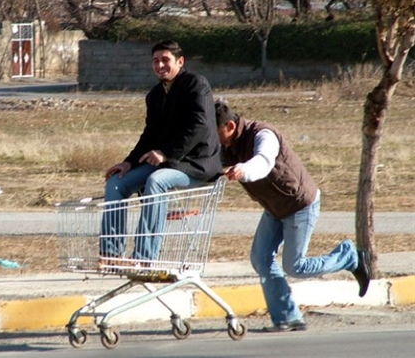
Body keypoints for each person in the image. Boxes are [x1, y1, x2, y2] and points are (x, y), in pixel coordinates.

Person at [214, 100, 372, 332]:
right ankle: (288, 317)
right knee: (261, 259)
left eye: (215, 132)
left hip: (300, 205)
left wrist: (244, 170)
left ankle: (350, 257)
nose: (214, 139)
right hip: (275, 207)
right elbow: (206, 165)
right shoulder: (226, 145)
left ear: (229, 125)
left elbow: (264, 162)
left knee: (295, 266)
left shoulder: (263, 134)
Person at [99, 40, 223, 268]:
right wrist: (129, 162)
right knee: (117, 183)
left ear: (180, 61)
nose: (160, 65)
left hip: (196, 164)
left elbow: (200, 125)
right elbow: (150, 135)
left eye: (165, 60)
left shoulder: (196, 84)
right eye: (155, 61)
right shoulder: (155, 95)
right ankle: (111, 255)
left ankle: (144, 259)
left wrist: (166, 153)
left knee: (156, 181)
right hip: (167, 163)